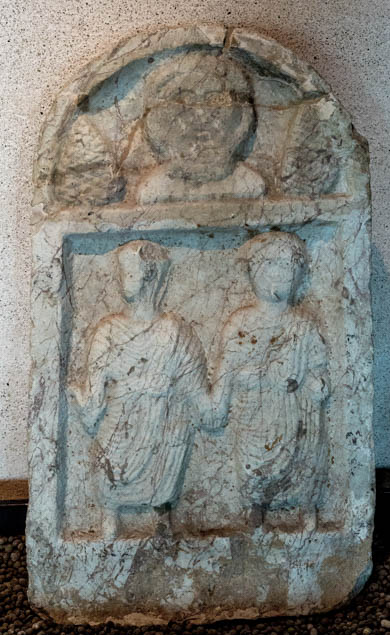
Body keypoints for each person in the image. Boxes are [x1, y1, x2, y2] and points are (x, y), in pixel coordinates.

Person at [68, 240, 215, 539]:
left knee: (172, 433)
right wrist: (79, 398)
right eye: (123, 272)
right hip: (120, 421)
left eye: (131, 272)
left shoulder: (175, 331)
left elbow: (194, 389)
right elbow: (94, 399)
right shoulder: (108, 331)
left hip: (164, 423)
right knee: (109, 466)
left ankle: (162, 513)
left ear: (151, 276)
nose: (124, 279)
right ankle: (111, 514)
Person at [212, 231, 329, 528]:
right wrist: (250, 377)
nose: (278, 274)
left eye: (287, 267)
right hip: (254, 412)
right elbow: (227, 372)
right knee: (255, 468)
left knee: (302, 460)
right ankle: (256, 508)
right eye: (270, 265)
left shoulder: (303, 324)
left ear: (298, 275)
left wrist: (316, 383)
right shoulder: (240, 322)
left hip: (295, 411)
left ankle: (306, 509)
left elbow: (318, 367)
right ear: (254, 271)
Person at [137, 51, 265, 203]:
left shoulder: (250, 183)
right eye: (184, 100)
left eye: (214, 100)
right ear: (159, 118)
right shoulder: (154, 188)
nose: (201, 114)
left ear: (242, 117)